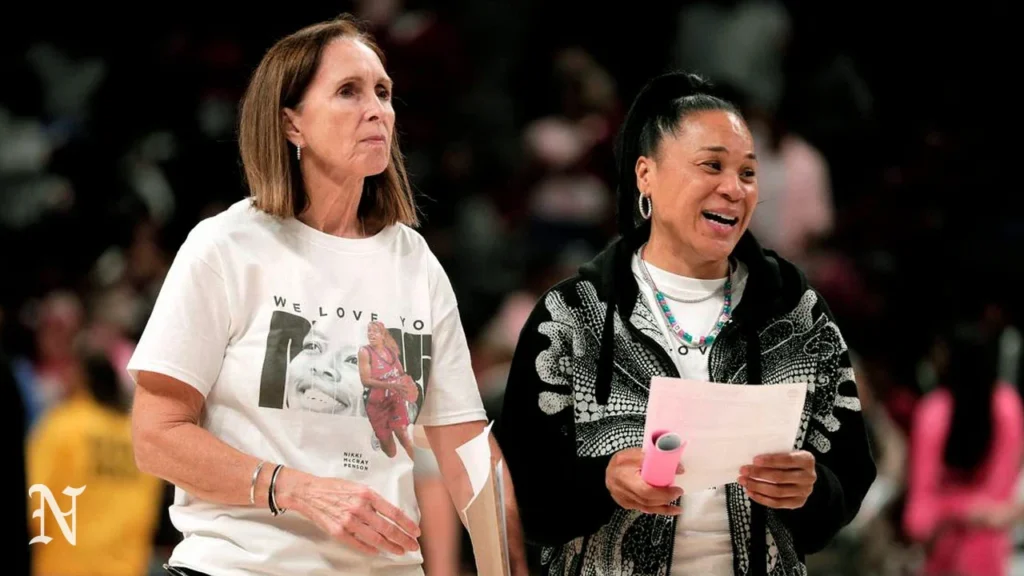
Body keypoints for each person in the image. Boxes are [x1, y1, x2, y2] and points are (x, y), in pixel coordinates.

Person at [128, 15, 526, 576]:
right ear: (292, 124)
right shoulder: (226, 247)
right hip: (240, 565)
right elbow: (155, 436)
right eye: (348, 91)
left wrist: (506, 566)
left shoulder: (415, 263)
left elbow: (468, 456)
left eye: (383, 92)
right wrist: (293, 489)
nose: (377, 110)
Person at [497, 72, 876, 575]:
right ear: (646, 175)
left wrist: (811, 490)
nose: (734, 189)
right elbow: (521, 486)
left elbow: (848, 474)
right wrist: (601, 483)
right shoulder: (571, 318)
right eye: (711, 166)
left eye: (747, 172)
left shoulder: (798, 313)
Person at [27, 350, 163, 576]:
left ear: (81, 378)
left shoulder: (62, 426)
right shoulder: (135, 435)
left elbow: (35, 496)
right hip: (126, 568)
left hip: (62, 566)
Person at [904, 326, 1024, 576]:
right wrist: (972, 510)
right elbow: (995, 510)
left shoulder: (934, 412)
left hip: (952, 548)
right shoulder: (1005, 405)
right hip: (971, 551)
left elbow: (919, 516)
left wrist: (952, 509)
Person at [360, 321, 419, 459]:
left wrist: (409, 387)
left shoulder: (391, 352)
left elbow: (401, 373)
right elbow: (365, 381)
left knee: (405, 437)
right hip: (377, 405)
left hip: (394, 401)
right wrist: (391, 385)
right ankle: (378, 435)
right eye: (369, 331)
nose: (371, 334)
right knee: (391, 453)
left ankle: (421, 470)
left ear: (383, 335)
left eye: (375, 331)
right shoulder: (364, 352)